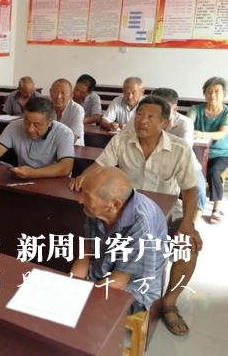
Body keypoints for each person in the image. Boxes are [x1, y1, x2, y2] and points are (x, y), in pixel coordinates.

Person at [71, 95, 202, 336]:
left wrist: (187, 224)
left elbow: (190, 190)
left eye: (150, 116)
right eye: (139, 114)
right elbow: (99, 166)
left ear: (165, 123)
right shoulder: (122, 140)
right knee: (99, 224)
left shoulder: (179, 148)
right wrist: (85, 179)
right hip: (124, 207)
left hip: (164, 214)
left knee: (187, 245)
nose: (142, 120)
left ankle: (169, 302)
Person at [70, 167, 167, 313]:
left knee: (87, 315)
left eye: (87, 197)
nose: (80, 200)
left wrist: (80, 300)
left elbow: (119, 281)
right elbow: (85, 256)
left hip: (132, 288)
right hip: (100, 273)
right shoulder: (96, 209)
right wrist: (71, 285)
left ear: (114, 205)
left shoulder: (141, 224)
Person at [124, 88, 207, 214]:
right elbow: (126, 141)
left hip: (182, 163)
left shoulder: (184, 123)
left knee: (198, 187)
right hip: (144, 158)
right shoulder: (138, 119)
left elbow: (183, 153)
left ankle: (193, 219)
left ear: (175, 109)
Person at [0, 97, 74, 179]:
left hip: (54, 182)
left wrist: (33, 173)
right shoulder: (14, 126)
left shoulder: (64, 133)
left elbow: (66, 167)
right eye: (27, 122)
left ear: (49, 122)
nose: (30, 129)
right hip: (23, 179)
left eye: (37, 125)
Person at [187, 76, 228, 224]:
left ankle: (216, 208)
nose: (212, 95)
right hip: (196, 152)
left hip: (220, 153)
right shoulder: (195, 109)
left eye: (217, 91)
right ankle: (191, 205)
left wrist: (202, 134)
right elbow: (188, 124)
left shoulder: (226, 113)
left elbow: (222, 133)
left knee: (214, 172)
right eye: (209, 91)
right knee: (188, 171)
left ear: (224, 94)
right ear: (204, 94)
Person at [50, 78, 85, 145]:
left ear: (71, 95)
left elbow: (72, 138)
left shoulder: (77, 110)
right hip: (50, 147)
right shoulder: (44, 106)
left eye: (63, 93)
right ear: (50, 92)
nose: (58, 96)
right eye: (55, 92)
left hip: (74, 147)